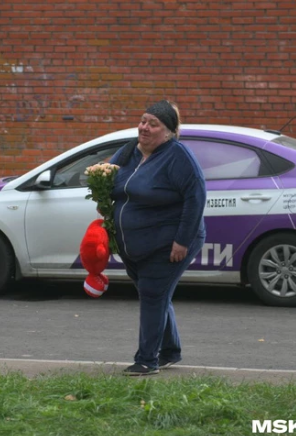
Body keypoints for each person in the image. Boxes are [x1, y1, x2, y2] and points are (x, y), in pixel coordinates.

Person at [109, 99, 206, 376]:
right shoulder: (128, 152)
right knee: (155, 295)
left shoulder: (178, 156)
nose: (145, 128)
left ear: (169, 132)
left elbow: (196, 198)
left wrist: (182, 241)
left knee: (153, 294)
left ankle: (147, 360)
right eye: (143, 121)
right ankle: (169, 351)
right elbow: (107, 178)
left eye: (154, 124)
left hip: (168, 241)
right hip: (135, 245)